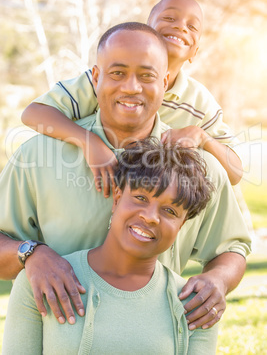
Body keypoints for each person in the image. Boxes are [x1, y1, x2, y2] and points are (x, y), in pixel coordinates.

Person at [0, 23, 251, 332]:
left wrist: (218, 280)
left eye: (146, 76)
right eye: (117, 73)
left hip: (153, 341)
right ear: (95, 77)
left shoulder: (201, 168)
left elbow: (231, 248)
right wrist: (31, 254)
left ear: (165, 81)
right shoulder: (37, 155)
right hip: (54, 340)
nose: (132, 87)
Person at [3, 139, 218, 355]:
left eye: (170, 211)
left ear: (181, 225)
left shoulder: (197, 305)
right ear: (116, 198)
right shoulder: (42, 280)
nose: (150, 217)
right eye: (141, 197)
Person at [21, 0, 243, 197]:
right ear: (147, 32)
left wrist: (202, 137)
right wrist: (90, 142)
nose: (180, 27)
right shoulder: (105, 81)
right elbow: (33, 113)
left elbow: (235, 173)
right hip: (87, 187)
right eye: (169, 17)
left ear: (195, 52)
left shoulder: (200, 103)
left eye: (192, 26)